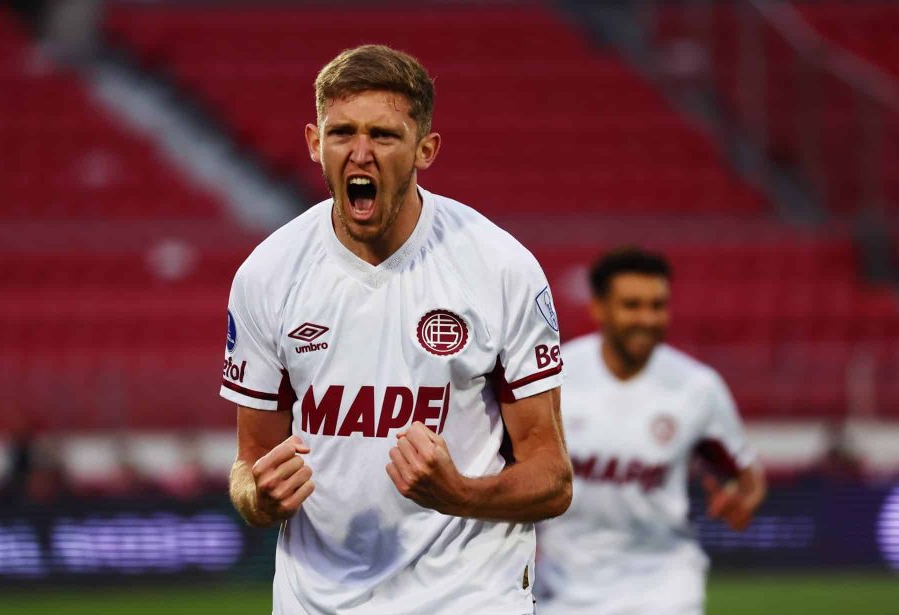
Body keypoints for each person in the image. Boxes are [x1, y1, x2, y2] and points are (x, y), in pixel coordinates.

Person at [221, 44, 573, 614]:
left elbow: (553, 478)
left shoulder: (499, 268)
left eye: (384, 135)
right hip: (317, 601)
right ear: (314, 142)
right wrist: (258, 498)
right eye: (342, 133)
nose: (360, 153)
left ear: (425, 149)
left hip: (466, 599)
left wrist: (461, 494)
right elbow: (250, 462)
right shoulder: (267, 274)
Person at [534, 247, 767, 615]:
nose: (647, 318)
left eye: (657, 305)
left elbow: (747, 475)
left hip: (664, 585)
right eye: (632, 305)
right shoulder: (556, 378)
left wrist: (741, 498)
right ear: (599, 308)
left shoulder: (697, 387)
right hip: (565, 588)